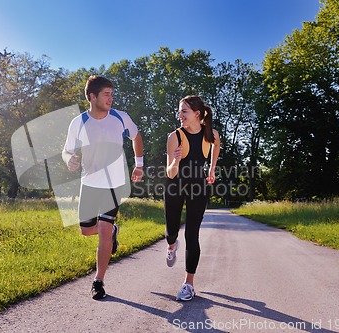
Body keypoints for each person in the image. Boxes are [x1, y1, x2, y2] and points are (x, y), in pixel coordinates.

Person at [62, 75, 144, 300]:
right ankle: (112, 231)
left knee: (104, 229)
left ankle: (98, 281)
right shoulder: (78, 123)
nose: (111, 98)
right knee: (87, 230)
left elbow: (136, 137)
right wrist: (69, 159)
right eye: (106, 94)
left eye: (112, 94)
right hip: (89, 183)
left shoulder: (120, 117)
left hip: (114, 183)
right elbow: (66, 150)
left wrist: (139, 165)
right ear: (92, 97)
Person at [164, 95, 220, 301]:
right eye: (179, 112)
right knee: (171, 230)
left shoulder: (211, 134)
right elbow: (170, 173)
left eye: (184, 112)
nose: (180, 115)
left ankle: (188, 283)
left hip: (198, 188)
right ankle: (171, 245)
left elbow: (216, 147)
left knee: (192, 234)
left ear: (197, 114)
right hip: (175, 186)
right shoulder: (174, 137)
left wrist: (212, 169)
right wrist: (176, 161)